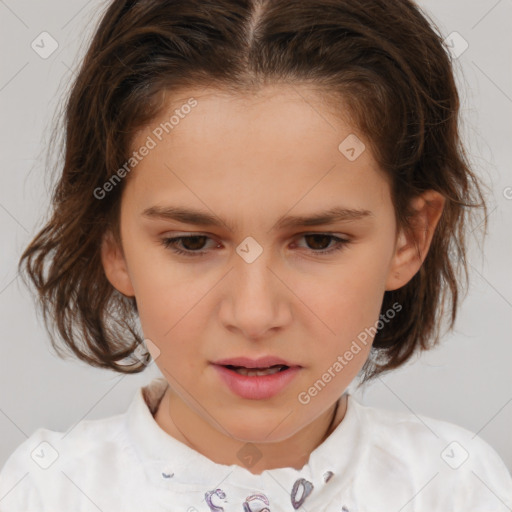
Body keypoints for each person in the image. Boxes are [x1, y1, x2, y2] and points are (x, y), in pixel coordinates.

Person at [0, 0, 511, 510]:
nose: (254, 315)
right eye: (192, 242)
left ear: (410, 239)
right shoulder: (47, 492)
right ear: (111, 243)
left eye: (318, 241)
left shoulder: (457, 488)